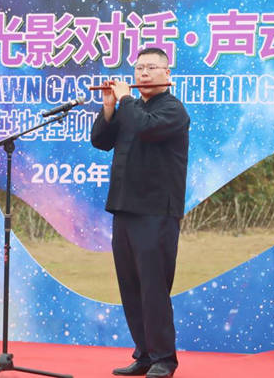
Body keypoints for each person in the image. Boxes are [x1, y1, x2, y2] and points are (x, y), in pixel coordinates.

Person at [91, 47, 190, 378]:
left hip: (156, 211)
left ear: (167, 74)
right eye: (138, 68)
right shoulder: (130, 109)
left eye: (151, 67)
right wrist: (109, 107)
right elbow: (100, 141)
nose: (143, 74)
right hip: (124, 207)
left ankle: (164, 358)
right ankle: (144, 354)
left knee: (153, 286)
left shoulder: (173, 110)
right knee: (130, 286)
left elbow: (145, 128)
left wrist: (124, 100)